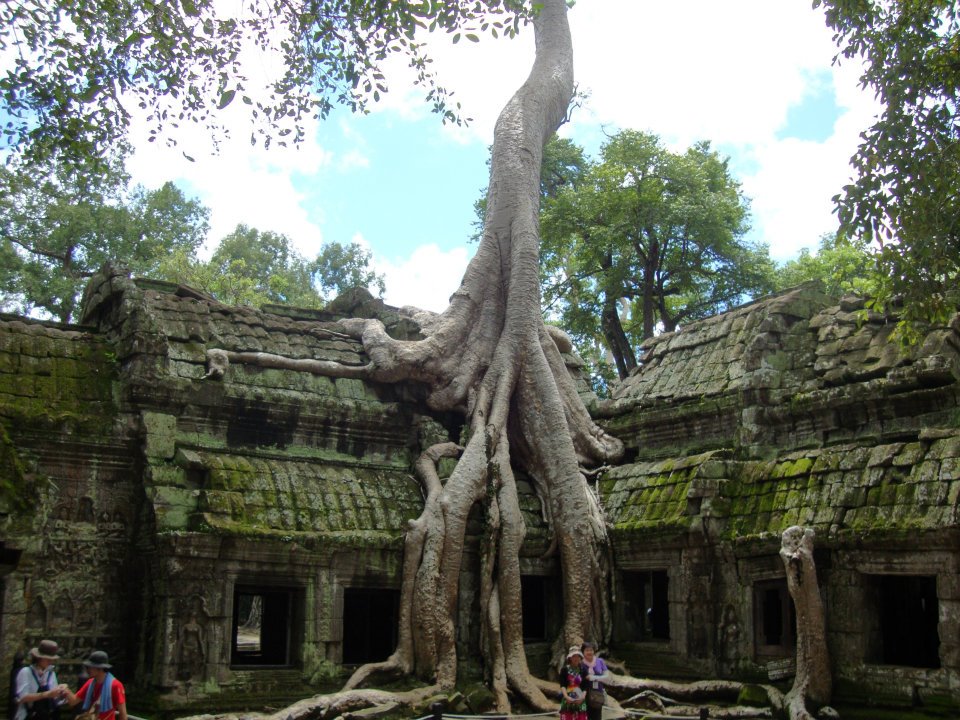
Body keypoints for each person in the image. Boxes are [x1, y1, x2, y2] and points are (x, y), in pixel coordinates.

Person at [62, 652, 127, 720]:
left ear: (100, 668)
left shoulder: (116, 685)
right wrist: (65, 690)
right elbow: (73, 701)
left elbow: (122, 713)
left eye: (90, 667)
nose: (88, 669)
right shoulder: (90, 683)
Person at [13, 640, 67, 720]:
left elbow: (55, 698)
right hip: (27, 715)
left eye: (51, 659)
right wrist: (47, 694)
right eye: (47, 659)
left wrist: (62, 693)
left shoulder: (51, 673)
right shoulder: (26, 672)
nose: (50, 662)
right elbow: (23, 697)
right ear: (39, 658)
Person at [581, 641, 609, 720]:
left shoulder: (600, 661)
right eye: (587, 650)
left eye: (591, 650)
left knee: (597, 715)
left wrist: (593, 678)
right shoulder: (580, 664)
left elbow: (606, 676)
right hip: (584, 693)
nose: (589, 652)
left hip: (597, 693)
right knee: (585, 716)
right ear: (583, 652)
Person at [558, 645, 587, 720]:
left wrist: (582, 697)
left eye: (578, 656)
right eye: (574, 656)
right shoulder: (564, 670)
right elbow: (563, 685)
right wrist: (566, 697)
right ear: (570, 657)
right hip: (568, 698)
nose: (576, 658)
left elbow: (585, 686)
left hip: (580, 699)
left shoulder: (583, 670)